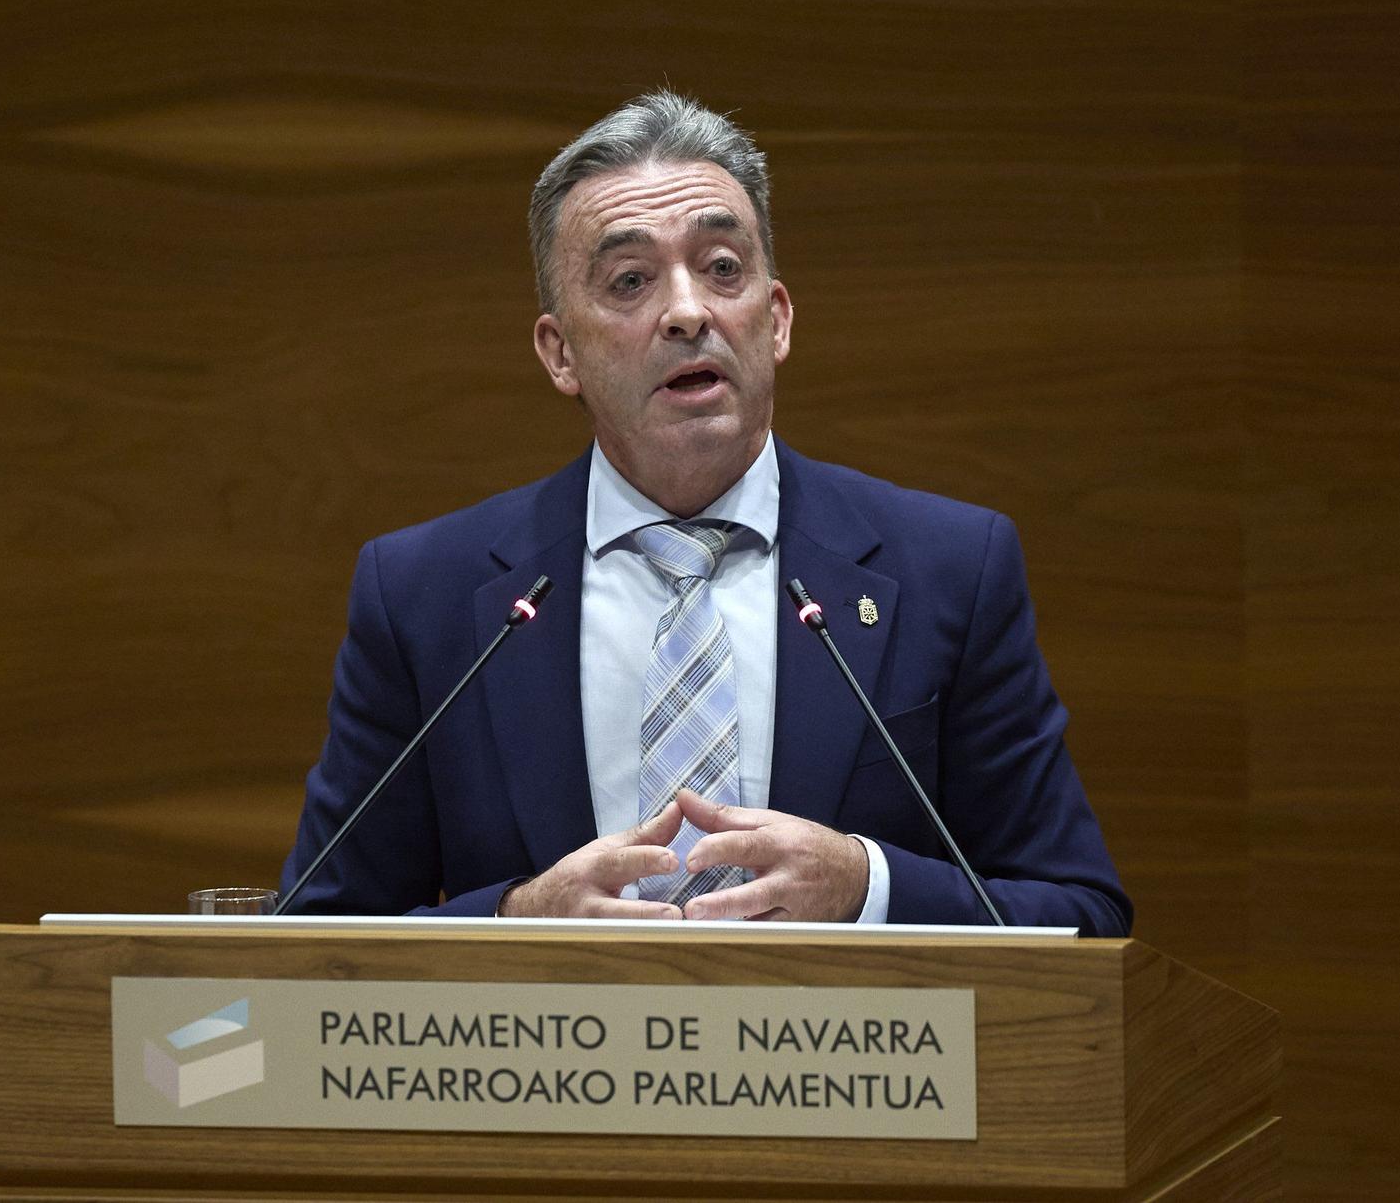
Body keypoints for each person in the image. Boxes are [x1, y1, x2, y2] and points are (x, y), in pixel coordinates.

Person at [281, 91, 1130, 932]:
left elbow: (1084, 918)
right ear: (561, 352)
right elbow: (312, 932)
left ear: (777, 317)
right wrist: (516, 918)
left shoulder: (949, 567)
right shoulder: (425, 595)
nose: (689, 311)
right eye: (630, 280)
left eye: (724, 268)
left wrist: (866, 886)